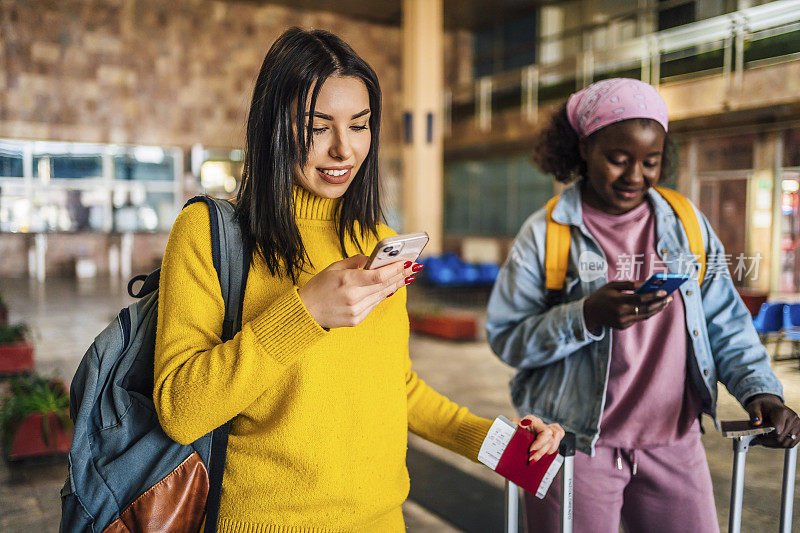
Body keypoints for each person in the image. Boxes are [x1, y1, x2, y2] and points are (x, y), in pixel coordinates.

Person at [154, 28, 563, 532]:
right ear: (273, 126)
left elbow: (398, 389)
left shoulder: (377, 240)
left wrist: (507, 446)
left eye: (360, 125)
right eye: (318, 126)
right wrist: (304, 313)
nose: (343, 149)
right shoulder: (210, 234)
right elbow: (180, 409)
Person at [485, 77, 800, 533]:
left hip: (675, 444)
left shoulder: (685, 222)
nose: (636, 176)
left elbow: (726, 323)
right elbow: (508, 339)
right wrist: (586, 316)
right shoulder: (547, 232)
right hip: (573, 446)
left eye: (650, 162)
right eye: (618, 159)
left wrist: (761, 393)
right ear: (584, 149)